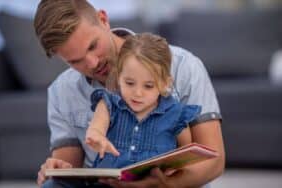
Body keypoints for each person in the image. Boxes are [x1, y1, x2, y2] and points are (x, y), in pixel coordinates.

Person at [34, 0, 225, 187]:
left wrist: (165, 184)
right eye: (75, 61)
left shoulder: (183, 66)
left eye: (93, 46)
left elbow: (213, 160)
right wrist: (57, 167)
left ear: (103, 19)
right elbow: (69, 167)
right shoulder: (62, 91)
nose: (92, 63)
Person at [85, 33, 201, 169]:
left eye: (148, 86)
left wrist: (175, 169)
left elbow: (185, 154)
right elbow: (96, 129)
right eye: (129, 83)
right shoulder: (109, 104)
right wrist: (97, 137)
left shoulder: (175, 114)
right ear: (118, 77)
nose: (138, 93)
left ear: (165, 83)